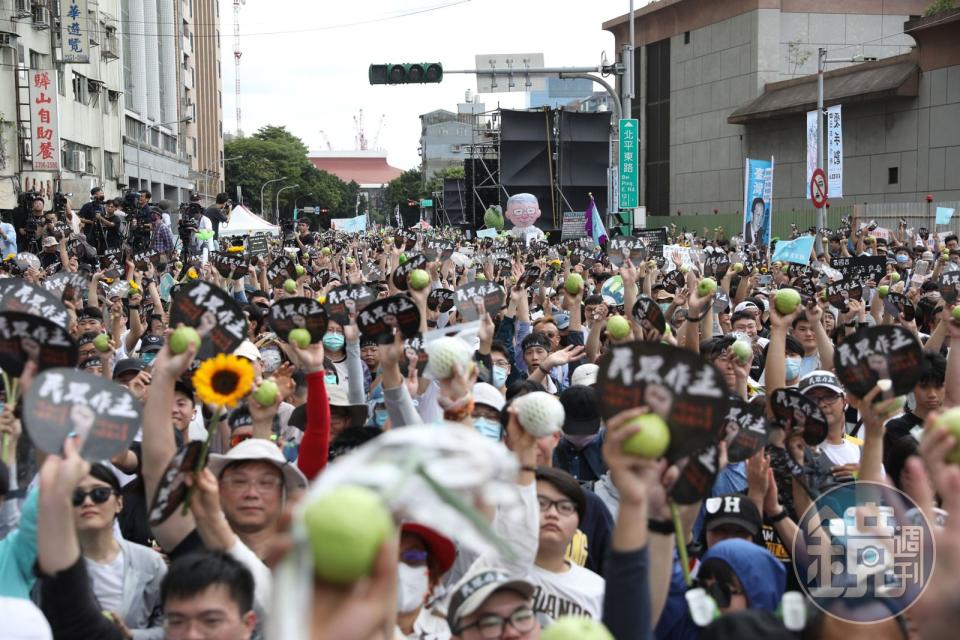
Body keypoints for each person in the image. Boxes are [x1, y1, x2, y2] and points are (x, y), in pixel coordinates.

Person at [73, 464, 166, 639]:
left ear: (119, 503)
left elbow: (172, 625)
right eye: (77, 496)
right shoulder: (55, 566)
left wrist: (131, 635)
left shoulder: (150, 562)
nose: (88, 502)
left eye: (99, 493)